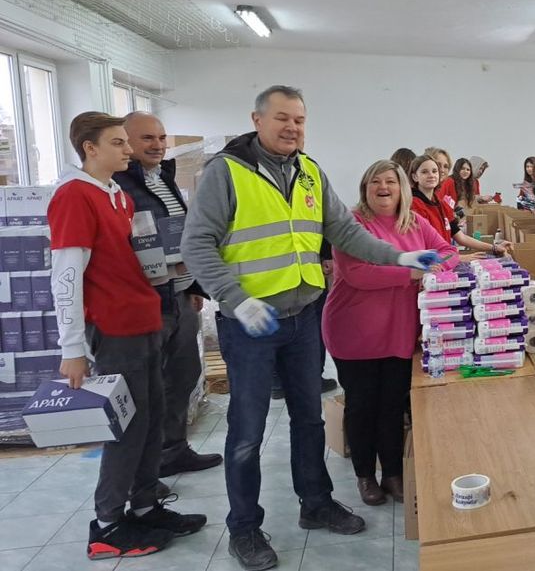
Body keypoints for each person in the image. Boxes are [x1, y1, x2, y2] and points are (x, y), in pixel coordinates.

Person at [182, 86, 440, 571]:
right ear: (256, 119)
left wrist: (400, 255)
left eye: (299, 119)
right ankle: (244, 527)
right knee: (247, 432)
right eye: (282, 118)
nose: (292, 127)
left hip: (303, 318)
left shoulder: (309, 171)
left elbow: (344, 232)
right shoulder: (226, 172)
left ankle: (316, 502)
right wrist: (236, 301)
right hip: (251, 324)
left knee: (310, 420)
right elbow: (197, 245)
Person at [51, 112, 206, 561]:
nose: (128, 150)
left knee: (152, 418)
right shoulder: (75, 196)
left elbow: (132, 258)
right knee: (127, 429)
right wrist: (72, 348)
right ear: (90, 148)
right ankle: (107, 523)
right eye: (118, 143)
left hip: (147, 319)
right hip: (115, 329)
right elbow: (66, 275)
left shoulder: (116, 193)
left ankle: (143, 505)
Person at [323, 160, 458, 506]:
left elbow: (447, 250)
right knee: (362, 405)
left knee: (392, 406)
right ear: (365, 188)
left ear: (402, 187)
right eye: (375, 182)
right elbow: (357, 274)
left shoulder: (413, 221)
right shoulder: (352, 224)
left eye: (390, 182)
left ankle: (393, 474)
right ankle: (366, 476)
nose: (383, 187)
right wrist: (412, 272)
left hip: (398, 331)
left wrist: (438, 264)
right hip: (355, 331)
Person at [113, 112, 223, 479]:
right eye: (147, 138)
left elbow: (182, 238)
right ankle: (146, 469)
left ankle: (173, 450)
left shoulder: (163, 178)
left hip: (178, 296)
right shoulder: (119, 187)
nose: (158, 145)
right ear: (126, 142)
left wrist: (193, 286)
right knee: (150, 388)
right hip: (147, 302)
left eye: (160, 137)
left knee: (184, 372)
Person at [409, 154, 512, 255]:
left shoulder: (442, 205)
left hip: (445, 264)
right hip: (432, 267)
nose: (431, 175)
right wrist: (458, 258)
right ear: (415, 176)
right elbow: (422, 249)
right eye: (424, 172)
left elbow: (461, 237)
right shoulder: (414, 205)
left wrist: (494, 247)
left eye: (434, 171)